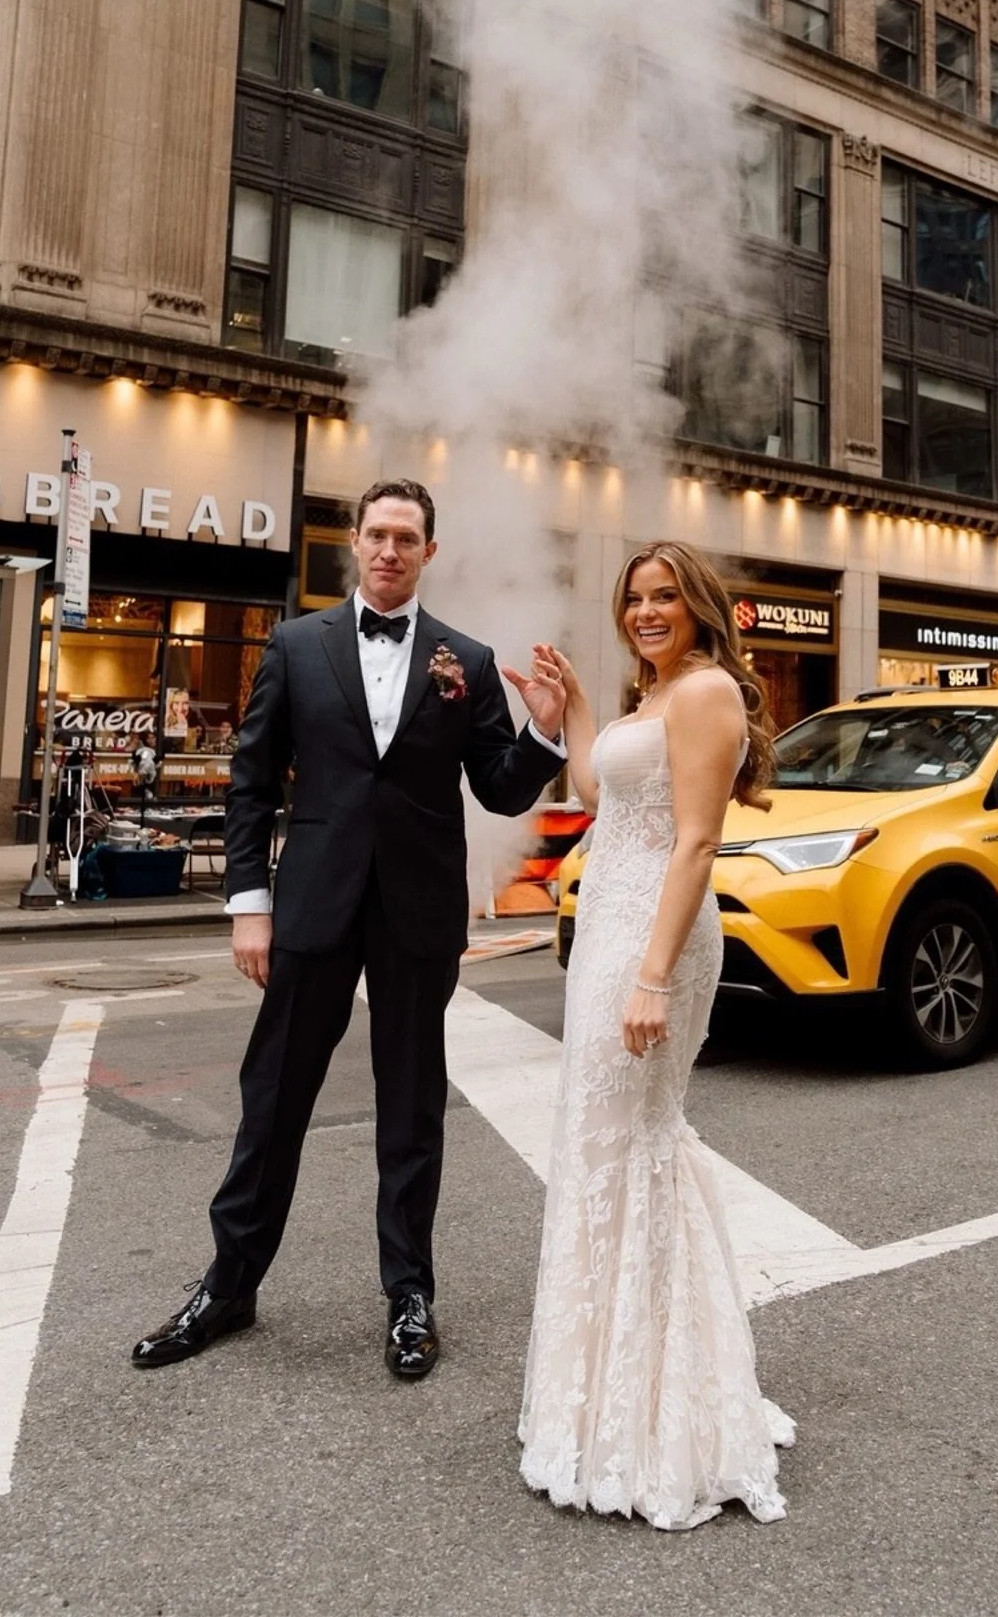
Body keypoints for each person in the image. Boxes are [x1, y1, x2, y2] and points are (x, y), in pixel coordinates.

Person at [132, 479, 568, 1377]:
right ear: (356, 544)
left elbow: (496, 785)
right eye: (377, 535)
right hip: (313, 908)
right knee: (275, 1100)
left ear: (428, 553)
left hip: (416, 912)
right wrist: (249, 905)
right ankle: (229, 1284)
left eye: (407, 538)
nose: (390, 551)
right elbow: (252, 785)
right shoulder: (295, 646)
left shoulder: (468, 660)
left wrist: (543, 736)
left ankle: (410, 1295)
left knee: (411, 1110)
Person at [517, 540, 795, 1530]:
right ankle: (608, 1387)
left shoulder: (708, 690)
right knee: (607, 1150)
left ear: (700, 608)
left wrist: (648, 978)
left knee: (633, 1147)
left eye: (665, 595)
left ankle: (663, 1409)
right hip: (609, 934)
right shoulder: (654, 696)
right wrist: (578, 710)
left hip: (657, 946)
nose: (646, 609)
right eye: (634, 595)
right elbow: (606, 798)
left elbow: (696, 839)